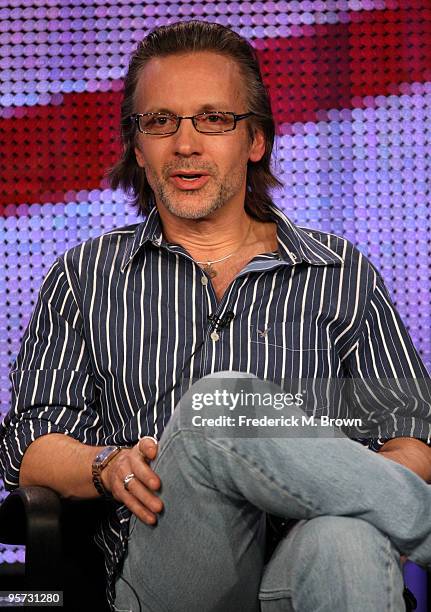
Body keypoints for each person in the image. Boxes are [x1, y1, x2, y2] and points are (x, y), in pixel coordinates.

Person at [1, 19, 431, 612]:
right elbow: (27, 445)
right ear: (137, 146)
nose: (185, 144)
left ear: (255, 140)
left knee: (349, 540)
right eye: (160, 123)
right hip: (166, 568)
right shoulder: (86, 274)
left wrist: (354, 490)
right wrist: (105, 466)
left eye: (214, 119)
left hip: (304, 559)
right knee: (218, 404)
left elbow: (408, 434)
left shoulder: (339, 273)